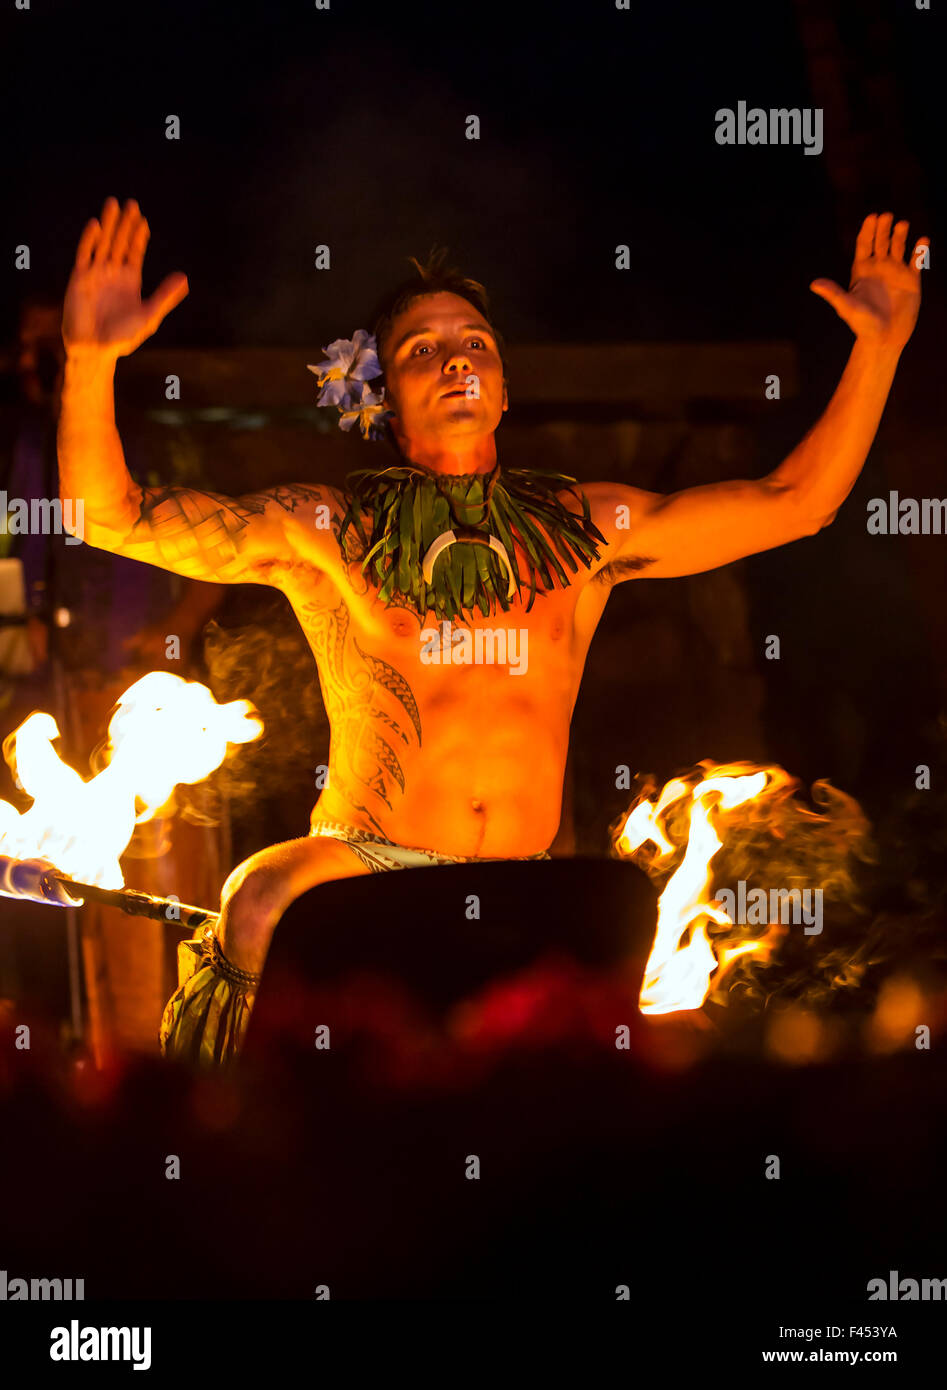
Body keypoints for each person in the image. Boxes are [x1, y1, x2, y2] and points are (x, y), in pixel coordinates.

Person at [57, 197, 927, 1064]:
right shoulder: (328, 529)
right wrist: (88, 362)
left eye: (475, 343)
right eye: (420, 351)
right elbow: (107, 515)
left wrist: (878, 348)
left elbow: (798, 503)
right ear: (386, 403)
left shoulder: (587, 529)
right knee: (257, 893)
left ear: (506, 391)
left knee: (660, 1001)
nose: (454, 360)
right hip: (365, 864)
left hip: (527, 881)